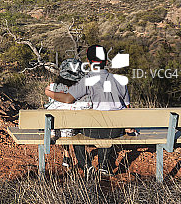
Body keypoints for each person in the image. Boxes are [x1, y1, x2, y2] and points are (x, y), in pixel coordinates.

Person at [44, 45, 130, 177]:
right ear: (106, 62)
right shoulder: (120, 80)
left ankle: (86, 166)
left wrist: (49, 93)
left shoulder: (87, 80)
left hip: (93, 131)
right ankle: (103, 166)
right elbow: (127, 109)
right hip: (116, 131)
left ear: (89, 63)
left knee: (77, 129)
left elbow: (68, 99)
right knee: (109, 126)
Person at [45, 58, 90, 168]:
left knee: (60, 120)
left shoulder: (52, 87)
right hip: (79, 127)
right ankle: (80, 161)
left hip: (60, 130)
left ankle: (66, 154)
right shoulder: (85, 88)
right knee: (71, 121)